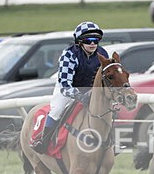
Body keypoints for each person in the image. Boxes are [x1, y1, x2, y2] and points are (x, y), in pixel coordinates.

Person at [30, 21, 109, 154]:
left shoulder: (103, 54)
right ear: (79, 42)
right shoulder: (69, 55)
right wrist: (79, 95)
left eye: (96, 40)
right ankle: (44, 141)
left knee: (108, 110)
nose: (93, 44)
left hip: (91, 90)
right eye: (88, 40)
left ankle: (111, 142)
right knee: (57, 110)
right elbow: (65, 84)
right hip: (68, 88)